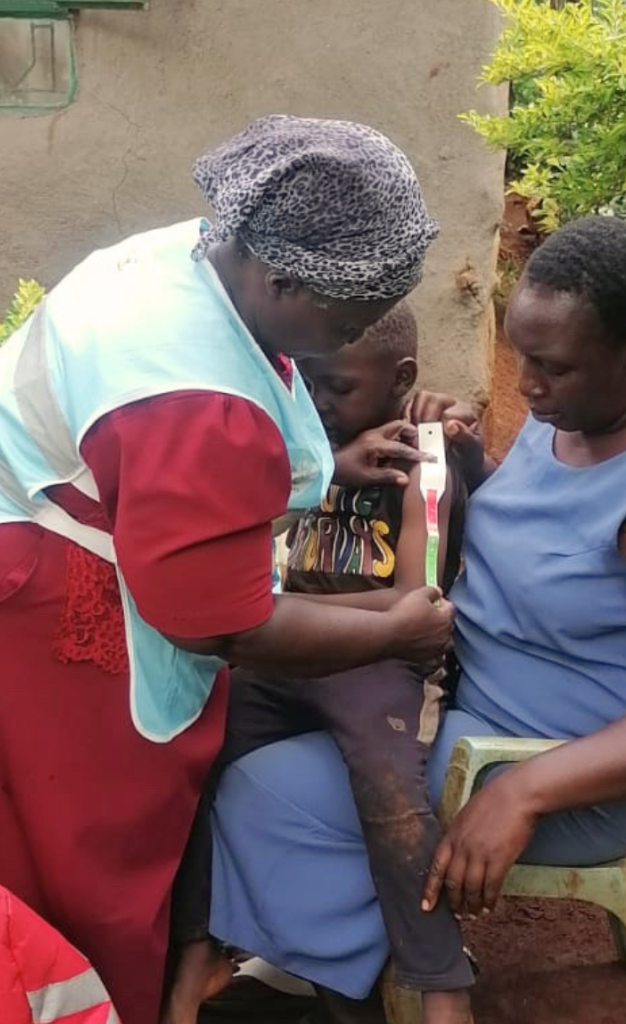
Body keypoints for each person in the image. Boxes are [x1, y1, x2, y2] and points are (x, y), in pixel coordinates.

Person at [0, 115, 457, 1024]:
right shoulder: (196, 405)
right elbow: (222, 625)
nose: (353, 335)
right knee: (37, 837)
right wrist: (397, 629)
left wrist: (328, 467)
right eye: (349, 317)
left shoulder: (192, 254)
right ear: (279, 275)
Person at [205, 215, 626, 1019]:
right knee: (257, 713)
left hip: (558, 765)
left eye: (550, 366)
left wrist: (524, 790)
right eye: (521, 353)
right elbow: (532, 525)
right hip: (464, 704)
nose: (525, 382)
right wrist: (459, 456)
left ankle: (368, 969)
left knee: (257, 789)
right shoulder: (579, 406)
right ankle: (338, 942)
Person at [165, 304, 474, 1024]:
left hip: (382, 665)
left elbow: (415, 604)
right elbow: (237, 526)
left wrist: (289, 618)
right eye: (309, 383)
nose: (321, 402)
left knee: (392, 797)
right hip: (290, 653)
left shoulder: (424, 453)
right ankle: (197, 953)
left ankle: (440, 983)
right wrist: (325, 467)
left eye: (338, 388)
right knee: (193, 752)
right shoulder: (303, 439)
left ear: (401, 380)